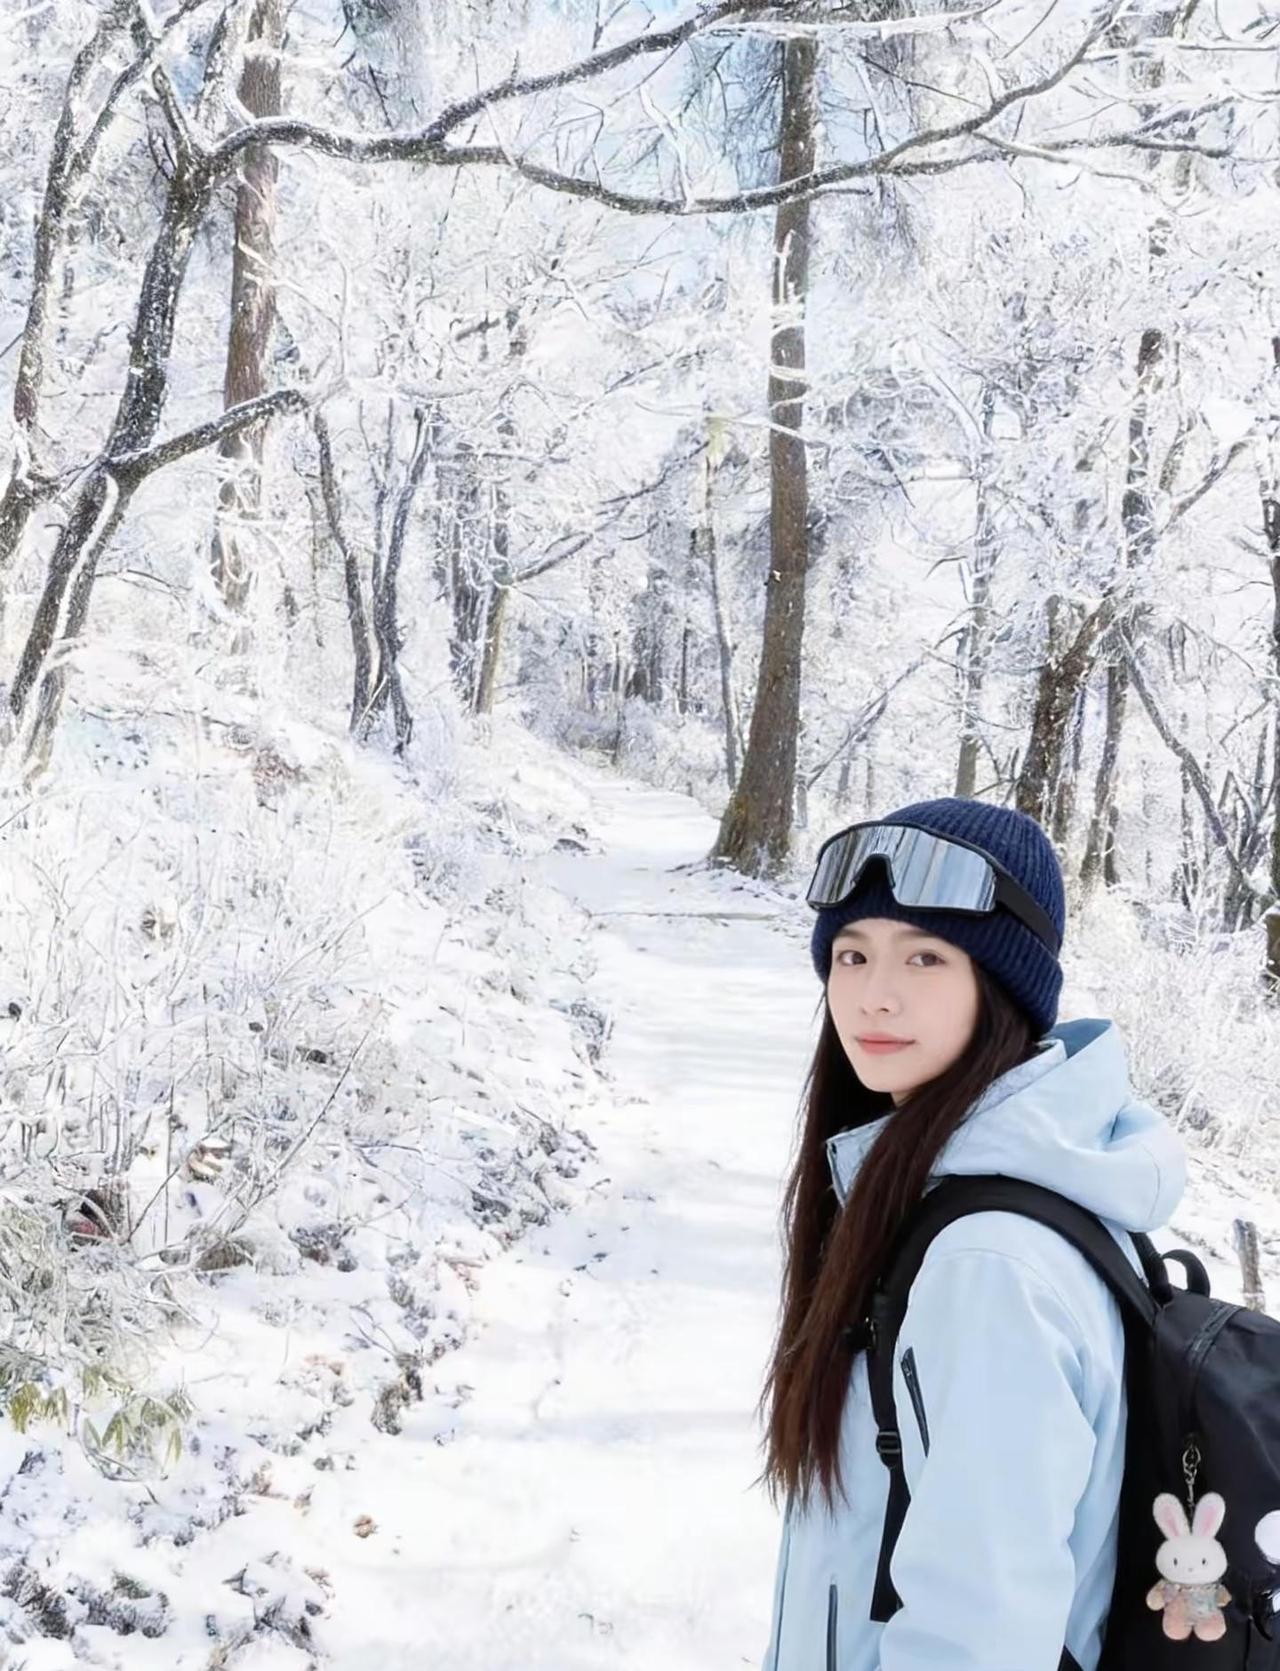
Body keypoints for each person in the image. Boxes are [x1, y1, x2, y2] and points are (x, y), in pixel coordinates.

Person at [755, 795, 1187, 1671]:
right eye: (852, 953)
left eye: (926, 956)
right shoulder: (966, 1201)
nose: (874, 994)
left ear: (1002, 986)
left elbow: (978, 1638)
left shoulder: (986, 1264)